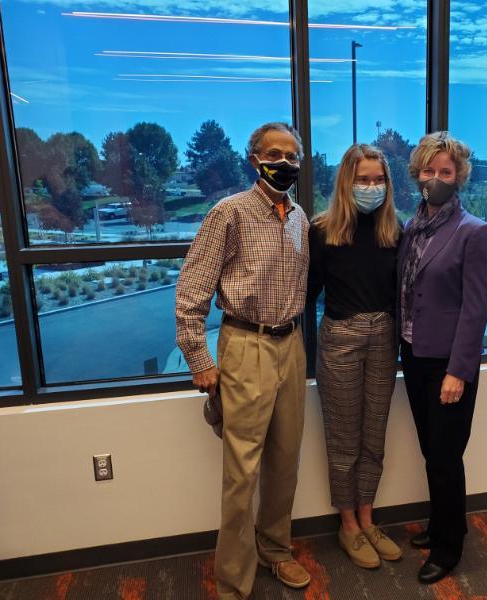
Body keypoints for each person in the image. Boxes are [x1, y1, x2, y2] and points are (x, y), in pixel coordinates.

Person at [175, 122, 311, 600]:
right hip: (246, 343)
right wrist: (199, 358)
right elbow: (191, 291)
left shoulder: (299, 217)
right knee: (242, 472)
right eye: (274, 154)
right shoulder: (228, 213)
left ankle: (276, 549)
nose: (284, 163)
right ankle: (234, 580)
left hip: (291, 344)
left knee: (285, 460)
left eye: (292, 156)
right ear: (254, 160)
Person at [397, 131, 487, 584]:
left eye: (445, 171)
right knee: (430, 451)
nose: (435, 178)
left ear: (459, 177)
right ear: (417, 174)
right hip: (415, 354)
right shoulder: (411, 228)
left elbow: (475, 311)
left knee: (445, 456)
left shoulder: (474, 232)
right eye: (428, 170)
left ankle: (448, 547)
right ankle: (442, 525)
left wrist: (459, 371)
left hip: (448, 365)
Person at [308, 144, 402, 569]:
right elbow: (306, 293)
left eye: (378, 179)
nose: (371, 187)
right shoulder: (322, 230)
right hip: (341, 338)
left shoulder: (394, 230)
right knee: (344, 440)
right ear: (347, 182)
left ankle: (368, 518)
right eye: (363, 179)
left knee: (374, 438)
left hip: (384, 336)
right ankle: (348, 525)